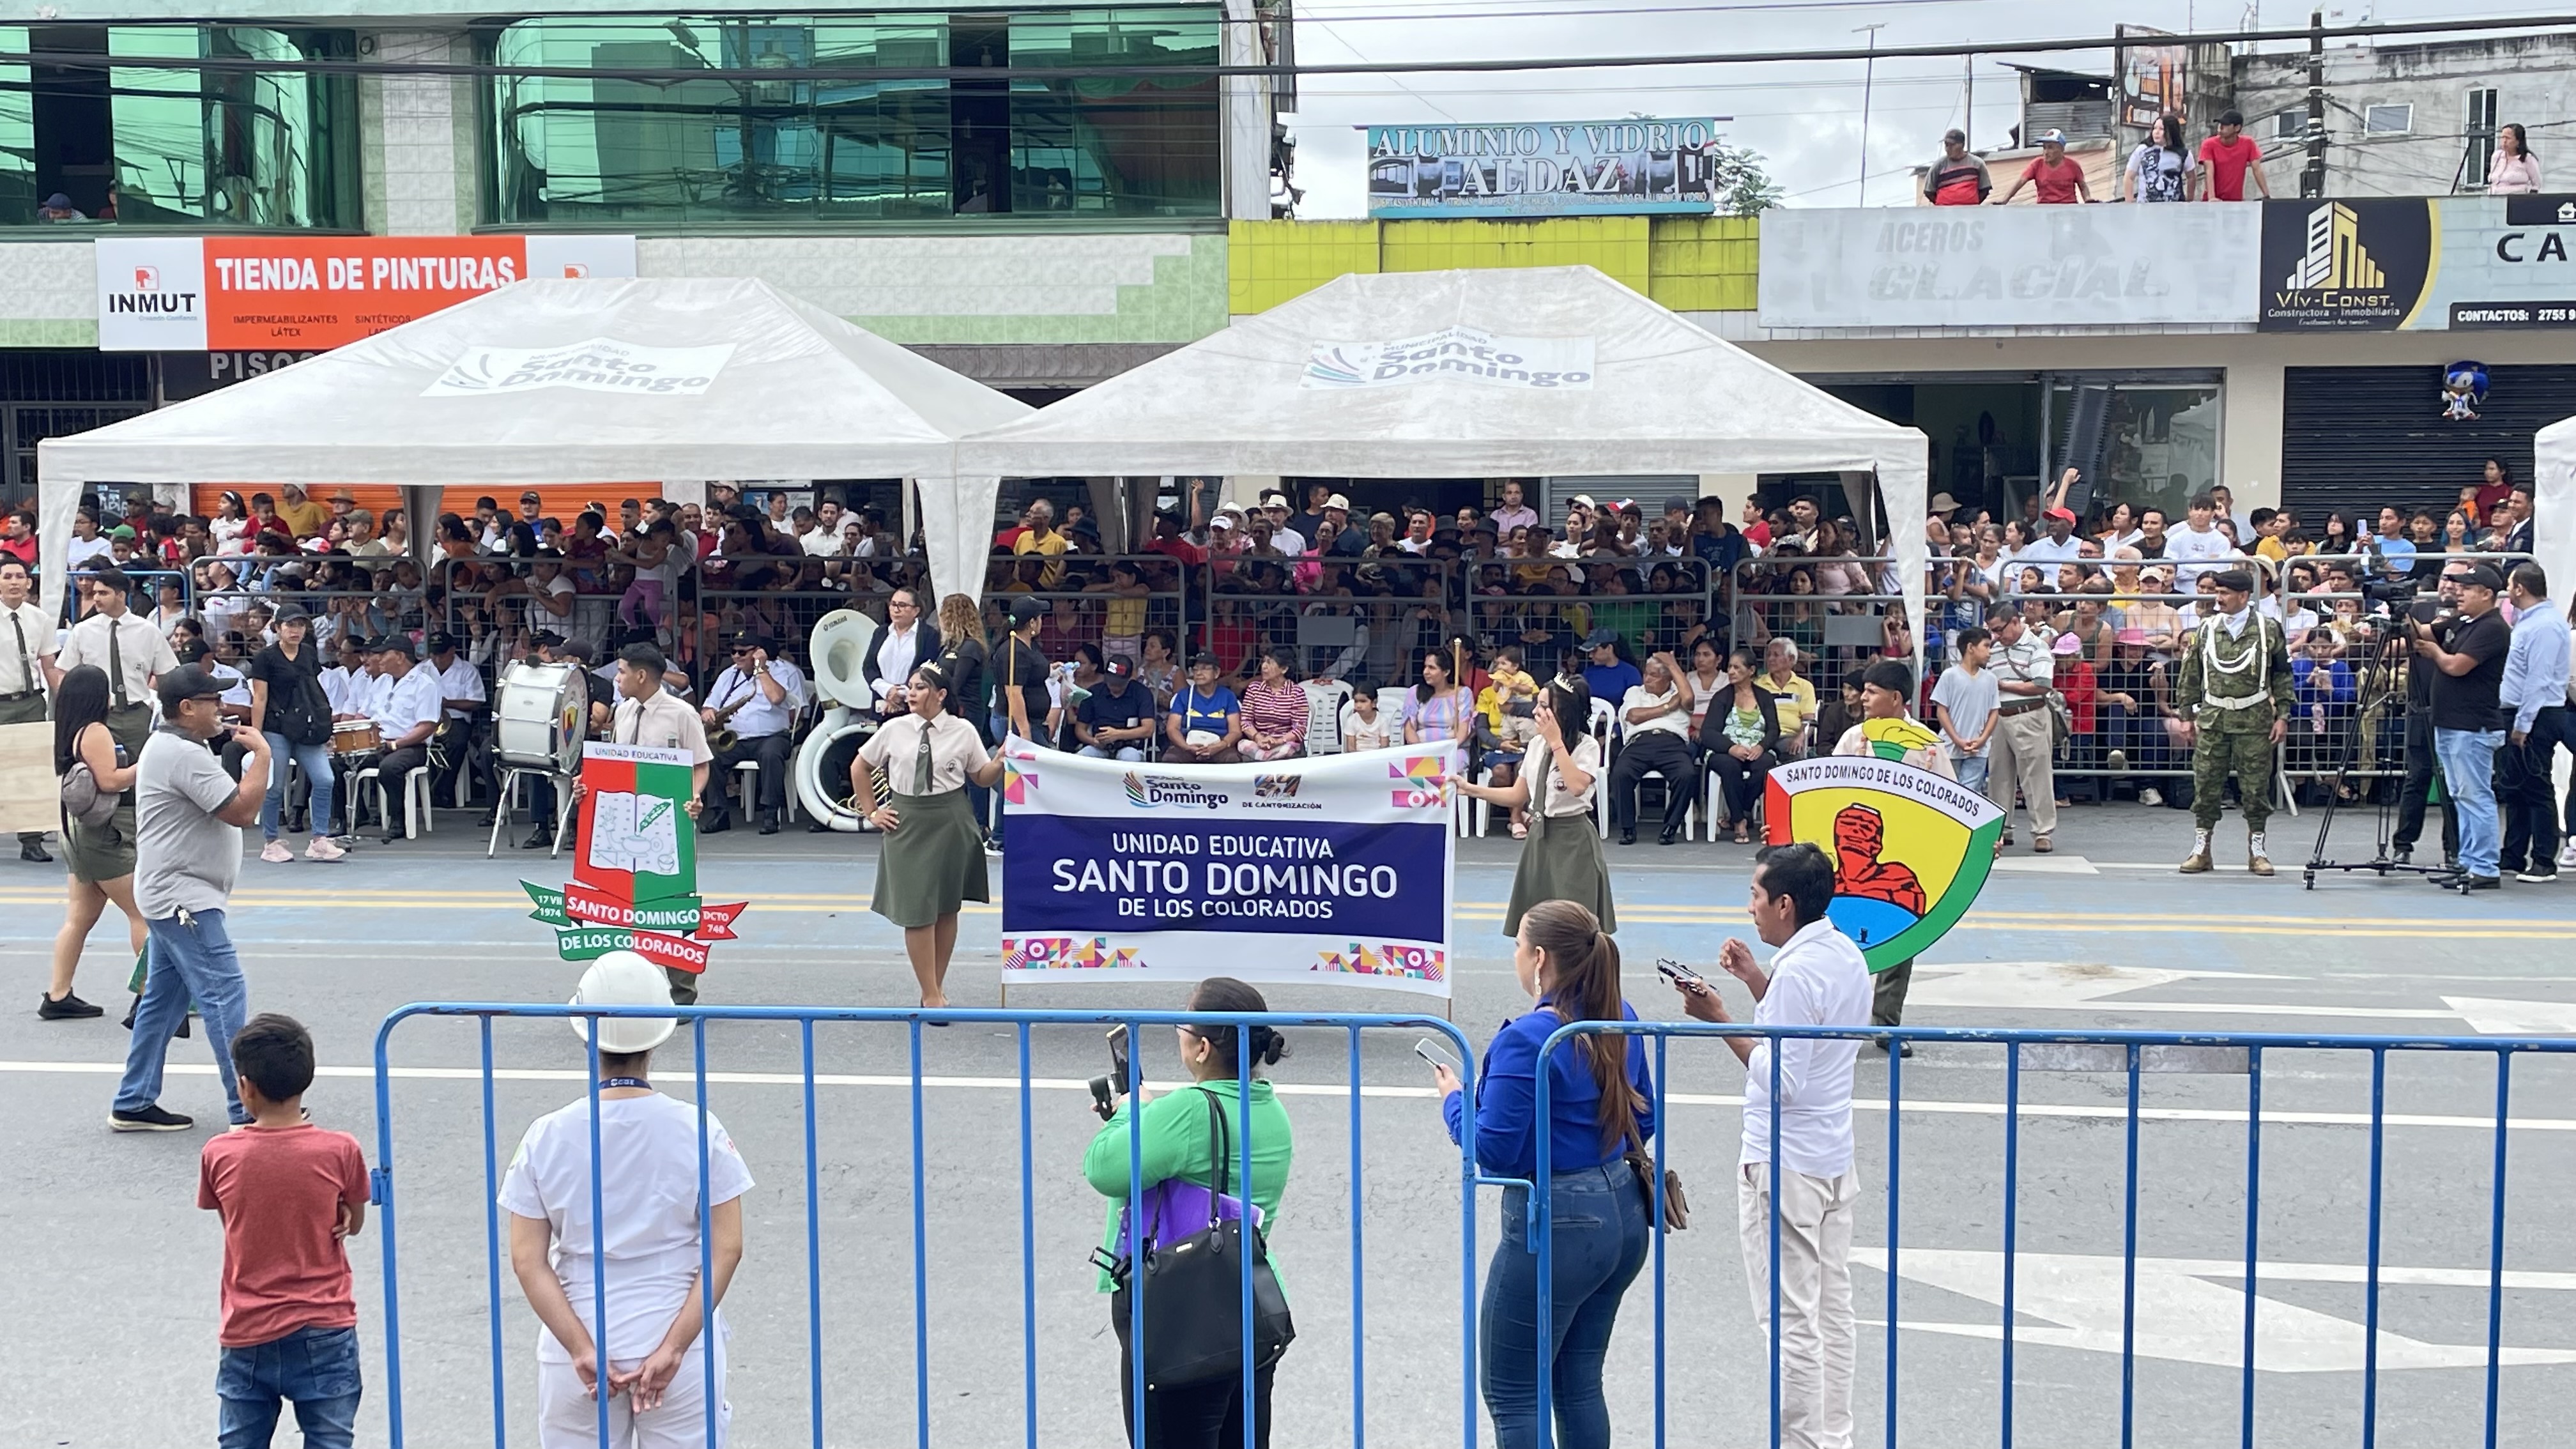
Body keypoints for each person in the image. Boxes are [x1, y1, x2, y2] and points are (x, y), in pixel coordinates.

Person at [500, 951, 751, 1449]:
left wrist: (580, 1349)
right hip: (679, 1336)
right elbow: (728, 1247)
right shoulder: (699, 1128)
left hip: (578, 1336)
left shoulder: (546, 1135)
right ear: (660, 1034)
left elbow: (527, 1259)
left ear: (585, 1033)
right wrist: (675, 1347)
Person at [1435, 900, 1653, 1449]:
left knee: (1512, 1392)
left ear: (1539, 959)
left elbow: (1493, 1150)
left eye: (1517, 946)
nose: (1514, 956)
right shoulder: (1619, 1015)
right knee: (1578, 1383)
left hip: (1557, 1222)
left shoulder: (1528, 1038)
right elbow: (1645, 1117)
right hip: (1623, 1212)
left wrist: (1455, 1102)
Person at [1671, 842, 1867, 1449]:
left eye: (1756, 895)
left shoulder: (1799, 973)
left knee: (1789, 1322)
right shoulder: (1844, 955)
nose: (1750, 907)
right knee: (1832, 1312)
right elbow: (1809, 1033)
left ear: (1785, 904)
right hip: (1831, 1157)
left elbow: (1781, 1078)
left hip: (1783, 1163)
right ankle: (1834, 1436)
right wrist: (1757, 980)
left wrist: (1721, 1019)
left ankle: (1804, 1440)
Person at [1083, 977, 1294, 1449]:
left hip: (1182, 1318)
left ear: (1202, 1049)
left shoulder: (1190, 1111)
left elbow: (1103, 1168)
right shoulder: (1270, 1109)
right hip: (1250, 1306)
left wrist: (1129, 1112)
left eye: (1182, 1024)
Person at [199, 1014, 369, 1449]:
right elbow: (354, 1222)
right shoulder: (341, 1149)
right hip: (325, 1324)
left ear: (245, 1087)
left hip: (248, 1326)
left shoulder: (219, 1153)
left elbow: (234, 1223)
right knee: (330, 1439)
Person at [111, 664, 268, 1131]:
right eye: (212, 701)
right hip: (184, 896)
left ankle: (134, 1098)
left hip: (171, 891)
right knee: (224, 993)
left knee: (163, 1001)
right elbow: (241, 811)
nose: (221, 708)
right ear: (186, 708)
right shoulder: (183, 754)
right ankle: (246, 1107)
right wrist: (262, 757)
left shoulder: (173, 745)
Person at [857, 659, 1005, 1010]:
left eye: (920, 688)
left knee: (945, 908)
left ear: (940, 695)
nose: (911, 693)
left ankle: (935, 988)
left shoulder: (962, 730)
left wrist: (1000, 761)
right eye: (910, 687)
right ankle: (930, 993)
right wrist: (872, 811)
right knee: (917, 910)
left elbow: (980, 777)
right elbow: (860, 766)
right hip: (908, 822)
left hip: (950, 820)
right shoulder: (895, 729)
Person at [1832, 661, 1954, 1053]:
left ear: (1897, 698)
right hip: (1847, 850)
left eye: (1872, 692)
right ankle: (1833, 1026)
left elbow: (1952, 802)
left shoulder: (1927, 745)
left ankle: (1885, 1025)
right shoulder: (1854, 739)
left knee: (1900, 931)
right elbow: (1828, 793)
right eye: (1863, 690)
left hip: (1903, 849)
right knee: (1836, 939)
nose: (1863, 698)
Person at [1460, 677, 1614, 936]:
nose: (1535, 711)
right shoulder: (1536, 745)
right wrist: (1470, 789)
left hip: (1573, 839)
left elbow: (1577, 786)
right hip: (1540, 839)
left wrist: (1556, 743)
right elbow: (1517, 796)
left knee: (1575, 925)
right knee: (1537, 925)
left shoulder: (1585, 746)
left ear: (1562, 712)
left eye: (1543, 706)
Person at [2177, 569, 2294, 876]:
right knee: (2206, 786)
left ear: (2244, 596)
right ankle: (2201, 849)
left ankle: (2258, 851)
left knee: (2255, 789)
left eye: (2225, 593)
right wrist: (2186, 716)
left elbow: (2282, 675)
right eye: (2218, 592)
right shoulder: (2206, 629)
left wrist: (2283, 715)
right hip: (2214, 719)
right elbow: (2191, 674)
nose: (2219, 599)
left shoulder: (2268, 629)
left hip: (2254, 720)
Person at [45, 666, 144, 1021]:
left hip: (77, 832)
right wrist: (147, 763)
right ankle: (150, 995)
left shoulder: (70, 729)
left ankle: (58, 994)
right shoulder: (96, 731)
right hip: (105, 835)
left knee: (79, 917)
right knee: (142, 913)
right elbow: (110, 780)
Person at [2414, 564, 2513, 892]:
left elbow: (2457, 666)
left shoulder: (2492, 628)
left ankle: (2484, 865)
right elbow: (2424, 631)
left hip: (2472, 725)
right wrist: (2402, 611)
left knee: (2475, 795)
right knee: (2461, 795)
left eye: (2467, 588)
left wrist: (2435, 652)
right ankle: (2469, 862)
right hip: (2452, 723)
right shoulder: (2464, 621)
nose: (2459, 592)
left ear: (2487, 594)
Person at [246, 606, 344, 864]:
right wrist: (257, 736)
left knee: (325, 779)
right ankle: (271, 842)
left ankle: (320, 839)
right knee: (275, 786)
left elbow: (314, 693)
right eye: (290, 625)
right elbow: (260, 698)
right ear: (277, 628)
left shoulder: (309, 653)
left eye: (300, 625)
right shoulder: (266, 658)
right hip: (276, 728)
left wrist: (324, 727)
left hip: (306, 727)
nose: (295, 630)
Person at [57, 567, 179, 760]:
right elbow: (64, 673)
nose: (96, 598)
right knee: (99, 768)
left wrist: (168, 713)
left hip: (137, 714)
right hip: (96, 714)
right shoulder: (82, 631)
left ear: (121, 595)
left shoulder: (148, 631)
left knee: (139, 768)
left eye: (103, 593)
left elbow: (167, 675)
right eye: (95, 593)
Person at [2497, 564, 2570, 883]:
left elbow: (2538, 679)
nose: (2507, 591)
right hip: (2522, 710)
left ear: (2520, 589)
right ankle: (2513, 854)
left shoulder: (2544, 626)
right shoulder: (2529, 621)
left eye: (2510, 585)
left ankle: (2544, 859)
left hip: (2537, 713)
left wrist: (2523, 724)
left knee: (2537, 786)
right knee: (2516, 786)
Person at [699, 632, 804, 835]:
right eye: (733, 652)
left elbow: (777, 698)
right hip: (736, 739)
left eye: (742, 652)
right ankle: (720, 813)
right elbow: (708, 706)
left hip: (772, 736)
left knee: (771, 755)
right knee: (711, 757)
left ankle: (770, 813)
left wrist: (761, 669)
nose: (736, 657)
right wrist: (708, 713)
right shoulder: (728, 674)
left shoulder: (780, 670)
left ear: (758, 652)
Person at [1984, 607, 2058, 854]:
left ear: (2015, 622)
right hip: (1998, 716)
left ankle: (2043, 831)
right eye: (1992, 630)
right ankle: (2001, 829)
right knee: (1998, 776)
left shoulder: (2037, 647)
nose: (1996, 635)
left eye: (1999, 629)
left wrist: (2003, 685)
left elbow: (2042, 685)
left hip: (2029, 713)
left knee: (2036, 776)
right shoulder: (1992, 647)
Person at [355, 636, 441, 844]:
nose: (379, 658)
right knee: (339, 762)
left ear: (400, 657)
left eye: (385, 654)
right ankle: (351, 817)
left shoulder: (424, 684)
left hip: (410, 746)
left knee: (390, 767)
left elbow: (427, 726)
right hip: (377, 742)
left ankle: (398, 820)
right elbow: (363, 715)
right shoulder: (381, 681)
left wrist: (396, 744)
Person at [0, 556, 56, 862]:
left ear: (29, 583)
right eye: (7, 576)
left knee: (32, 773)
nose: (14, 582)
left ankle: (31, 840)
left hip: (32, 702)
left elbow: (49, 666)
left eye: (19, 577)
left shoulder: (40, 619)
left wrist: (65, 700)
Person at [1606, 651, 1693, 847]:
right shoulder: (1635, 692)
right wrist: (1668, 707)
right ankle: (1627, 828)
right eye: (1646, 673)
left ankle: (1671, 826)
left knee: (1687, 775)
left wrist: (1672, 664)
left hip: (1673, 743)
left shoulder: (1679, 693)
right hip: (1640, 742)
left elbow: (1688, 699)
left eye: (1654, 675)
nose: (1647, 679)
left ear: (1668, 678)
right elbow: (1634, 716)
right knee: (1621, 773)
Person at [1703, 648, 1784, 846]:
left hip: (1757, 749)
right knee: (1729, 766)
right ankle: (1740, 822)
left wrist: (1761, 747)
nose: (1731, 671)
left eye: (1737, 668)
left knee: (1766, 766)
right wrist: (1731, 748)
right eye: (1730, 667)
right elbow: (1708, 732)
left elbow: (1774, 730)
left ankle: (1737, 813)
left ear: (1751, 671)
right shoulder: (1722, 697)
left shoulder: (1765, 697)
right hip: (1726, 750)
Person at [1931, 625, 1999, 793]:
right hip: (1950, 746)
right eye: (1986, 646)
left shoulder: (1991, 679)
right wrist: (1957, 739)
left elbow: (1994, 712)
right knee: (1948, 793)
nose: (1989, 652)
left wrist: (1983, 739)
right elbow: (1942, 710)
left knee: (1969, 793)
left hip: (1979, 748)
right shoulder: (1949, 676)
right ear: (1970, 647)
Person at [861, 588, 939, 719]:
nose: (896, 610)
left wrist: (902, 694)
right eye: (893, 604)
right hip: (883, 705)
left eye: (902, 605)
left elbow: (928, 669)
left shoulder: (929, 635)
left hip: (913, 708)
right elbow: (869, 667)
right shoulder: (880, 633)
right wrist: (888, 691)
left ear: (916, 611)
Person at [1167, 653, 1245, 764]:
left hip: (1219, 745)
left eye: (1204, 669)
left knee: (1232, 759)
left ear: (1216, 673)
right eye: (1195, 669)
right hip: (1188, 743)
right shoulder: (1183, 696)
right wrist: (1187, 747)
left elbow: (1235, 731)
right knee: (1170, 758)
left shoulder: (1228, 696)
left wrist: (1219, 746)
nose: (1198, 673)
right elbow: (1172, 728)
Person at [1076, 656, 1157, 761]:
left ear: (1130, 678)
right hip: (1098, 745)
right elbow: (1080, 729)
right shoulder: (1094, 693)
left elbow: (1148, 729)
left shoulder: (1142, 693)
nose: (1114, 686)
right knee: (1082, 757)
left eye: (1119, 684)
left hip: (1130, 746)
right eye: (1111, 682)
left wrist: (1117, 734)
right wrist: (1093, 741)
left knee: (1130, 758)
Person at [1237, 648, 1309, 762]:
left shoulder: (1296, 693)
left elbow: (1300, 727)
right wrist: (1259, 738)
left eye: (1270, 663)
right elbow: (1246, 721)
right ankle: (1268, 758)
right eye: (1264, 662)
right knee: (1243, 745)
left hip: (1285, 743)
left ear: (1284, 669)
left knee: (1287, 750)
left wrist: (1278, 741)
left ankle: (1264, 759)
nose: (1264, 667)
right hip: (1259, 743)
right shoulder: (1254, 689)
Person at [1995, 128, 2092, 204]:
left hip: (2069, 208)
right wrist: (2005, 200)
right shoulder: (2037, 164)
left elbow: (2083, 186)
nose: (2046, 152)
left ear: (2061, 149)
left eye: (2050, 148)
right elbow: (2021, 181)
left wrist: (2088, 199)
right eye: (2044, 148)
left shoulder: (2073, 165)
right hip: (2044, 208)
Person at [2195, 110, 2271, 201]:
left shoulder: (2248, 143)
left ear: (2237, 128)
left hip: (2236, 201)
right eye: (2220, 124)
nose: (2221, 127)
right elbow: (2209, 171)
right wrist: (2212, 197)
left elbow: (2257, 169)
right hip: (2213, 202)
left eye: (2226, 125)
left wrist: (2267, 195)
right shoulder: (2209, 144)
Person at [2124, 114, 2191, 203]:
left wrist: (2189, 201)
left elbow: (2191, 177)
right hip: (2145, 207)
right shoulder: (2142, 150)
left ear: (2172, 131)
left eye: (2161, 129)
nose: (2156, 132)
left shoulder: (2183, 153)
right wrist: (2129, 202)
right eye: (2155, 128)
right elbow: (2129, 177)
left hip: (2175, 207)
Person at [1924, 128, 1991, 205]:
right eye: (1946, 145)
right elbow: (1929, 191)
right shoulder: (1938, 165)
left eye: (1952, 145)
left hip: (1970, 210)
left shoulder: (1977, 164)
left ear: (1961, 145)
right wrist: (1944, 204)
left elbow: (1985, 189)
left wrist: (1970, 203)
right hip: (1944, 210)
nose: (1948, 149)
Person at [2488, 123, 2541, 195]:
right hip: (2495, 197)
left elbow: (2536, 185)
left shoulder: (2528, 159)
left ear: (2518, 141)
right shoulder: (2497, 156)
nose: (2504, 141)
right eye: (2503, 137)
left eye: (2508, 138)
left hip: (2517, 198)